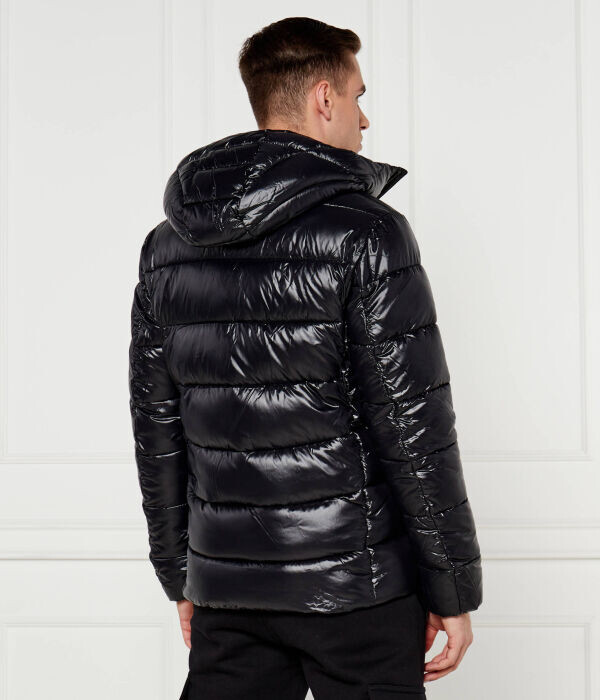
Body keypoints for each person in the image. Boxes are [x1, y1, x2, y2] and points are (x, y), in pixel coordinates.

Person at [128, 16, 483, 700]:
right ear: (324, 98)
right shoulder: (369, 234)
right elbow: (413, 427)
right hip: (357, 588)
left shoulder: (167, 247)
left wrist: (183, 575)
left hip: (229, 589)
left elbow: (158, 430)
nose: (364, 118)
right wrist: (452, 588)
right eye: (357, 95)